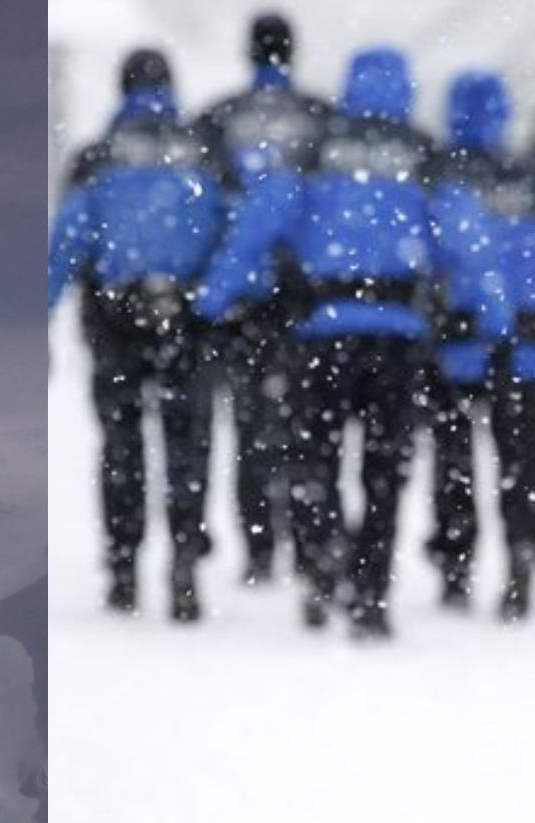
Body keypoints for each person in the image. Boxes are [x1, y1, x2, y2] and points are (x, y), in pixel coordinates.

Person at [199, 46, 437, 639]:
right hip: (400, 337)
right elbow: (468, 243)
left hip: (323, 335)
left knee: (315, 459)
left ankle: (321, 565)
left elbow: (257, 226)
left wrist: (210, 300)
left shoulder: (313, 150)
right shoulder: (424, 156)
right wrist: (492, 313)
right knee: (384, 473)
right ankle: (372, 591)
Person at [46, 49, 227, 623]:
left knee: (121, 448)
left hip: (115, 322)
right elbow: (233, 235)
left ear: (121, 89)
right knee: (187, 449)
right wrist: (211, 297)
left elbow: (67, 244)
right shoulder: (206, 151)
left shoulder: (96, 159)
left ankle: (123, 568)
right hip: (186, 322)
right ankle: (184, 567)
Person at [422, 70, 535, 620]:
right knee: (523, 464)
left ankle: (455, 565)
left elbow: (418, 256)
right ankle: (522, 553)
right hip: (528, 344)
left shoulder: (434, 177)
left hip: (457, 344)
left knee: (453, 462)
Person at [194, 13, 331, 586]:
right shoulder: (322, 119)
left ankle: (258, 550)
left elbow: (200, 209)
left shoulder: (219, 119)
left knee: (249, 428)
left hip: (240, 301)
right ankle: (307, 544)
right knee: (304, 426)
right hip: (306, 300)